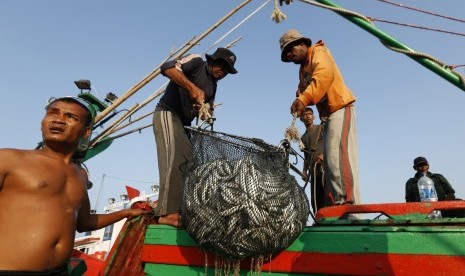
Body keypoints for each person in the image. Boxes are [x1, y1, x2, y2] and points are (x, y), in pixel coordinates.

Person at [0, 97, 147, 274]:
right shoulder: (8, 159)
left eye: (70, 117)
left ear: (86, 132)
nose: (58, 119)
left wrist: (127, 212)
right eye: (52, 113)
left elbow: (86, 222)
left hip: (60, 270)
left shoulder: (80, 174)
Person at [153, 47, 238, 227]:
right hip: (168, 113)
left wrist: (204, 112)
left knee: (187, 163)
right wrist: (190, 86)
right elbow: (167, 67)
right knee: (173, 160)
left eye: (227, 71)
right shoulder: (197, 62)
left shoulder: (213, 86)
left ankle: (179, 209)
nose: (223, 72)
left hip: (185, 124)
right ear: (213, 60)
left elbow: (208, 109)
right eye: (221, 66)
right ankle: (167, 213)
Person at [279, 29, 360, 206]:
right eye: (286, 54)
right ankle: (335, 205)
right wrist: (299, 99)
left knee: (339, 158)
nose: (289, 54)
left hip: (340, 108)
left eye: (290, 49)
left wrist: (304, 98)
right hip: (328, 117)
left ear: (302, 44)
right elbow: (303, 90)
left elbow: (324, 75)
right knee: (330, 165)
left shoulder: (318, 52)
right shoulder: (302, 70)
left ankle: (348, 206)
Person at [300, 107, 325, 213]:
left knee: (325, 196)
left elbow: (330, 143)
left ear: (313, 117)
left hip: (324, 169)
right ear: (301, 119)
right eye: (305, 115)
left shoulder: (321, 128)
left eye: (310, 114)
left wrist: (323, 155)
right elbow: (306, 156)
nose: (308, 116)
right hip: (313, 172)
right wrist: (304, 171)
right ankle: (318, 221)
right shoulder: (303, 138)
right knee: (315, 199)